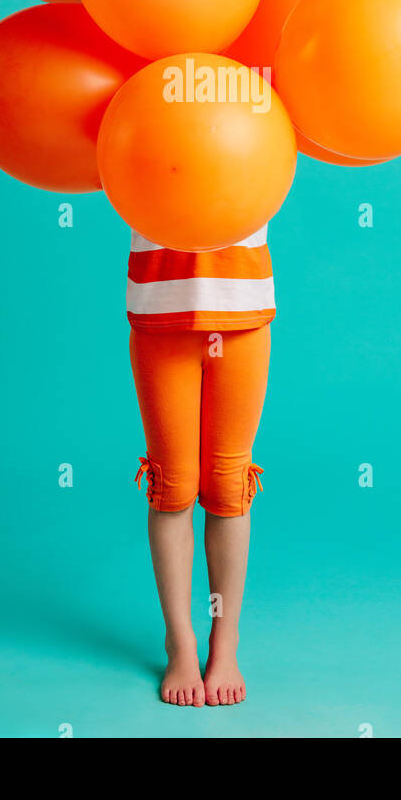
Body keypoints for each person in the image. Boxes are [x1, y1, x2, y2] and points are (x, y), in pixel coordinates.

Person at [127, 223, 274, 707]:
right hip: (161, 310)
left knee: (229, 488)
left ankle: (225, 642)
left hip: (241, 311)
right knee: (173, 486)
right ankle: (180, 642)